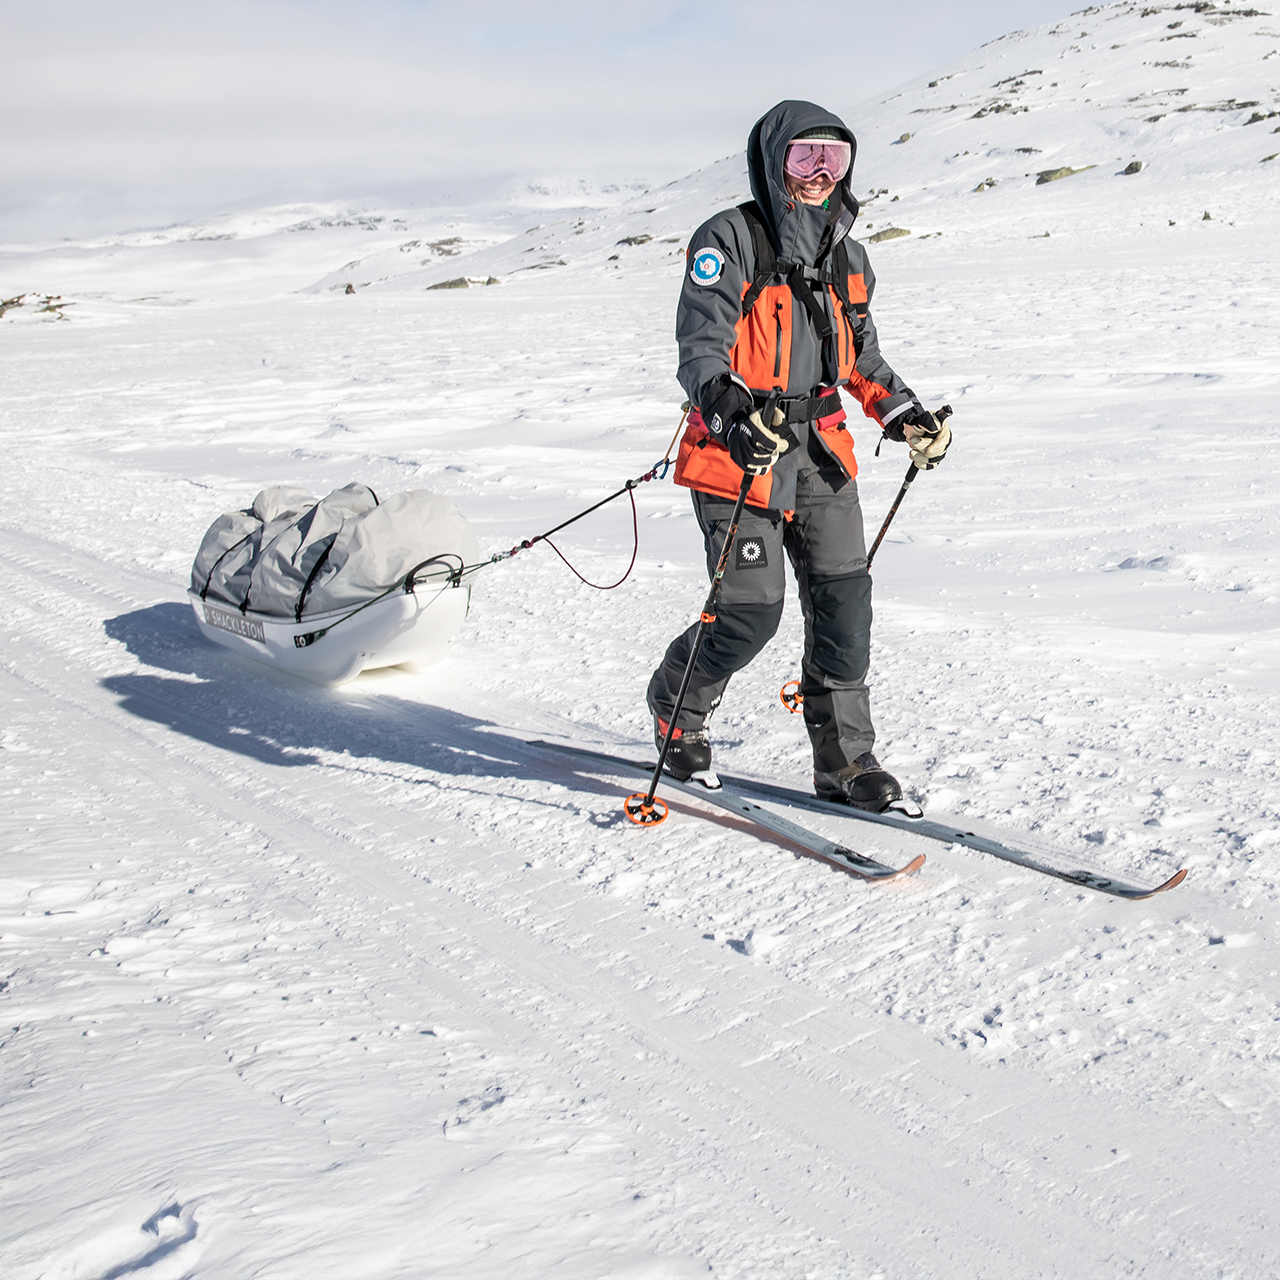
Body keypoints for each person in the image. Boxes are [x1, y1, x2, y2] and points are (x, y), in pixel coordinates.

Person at [645, 99, 951, 811]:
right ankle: (676, 711)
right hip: (740, 454)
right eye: (803, 156)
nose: (819, 172)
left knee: (844, 607)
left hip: (821, 454)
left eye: (833, 158)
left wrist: (904, 413)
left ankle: (846, 762)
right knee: (751, 614)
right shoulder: (729, 238)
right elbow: (701, 347)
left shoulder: (849, 258)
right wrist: (728, 409)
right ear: (773, 159)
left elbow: (861, 361)